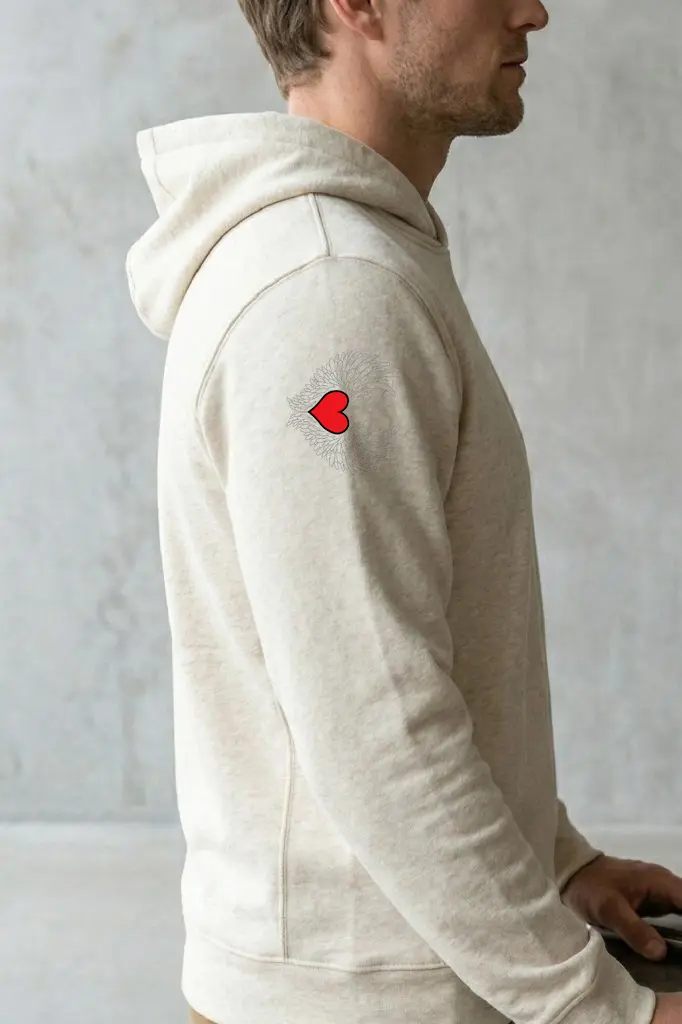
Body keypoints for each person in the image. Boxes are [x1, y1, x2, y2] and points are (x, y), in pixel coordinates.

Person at [125, 0, 682, 1022]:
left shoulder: (354, 259)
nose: (533, 11)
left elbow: (398, 657)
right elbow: (376, 725)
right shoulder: (329, 292)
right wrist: (600, 1008)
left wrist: (555, 860)